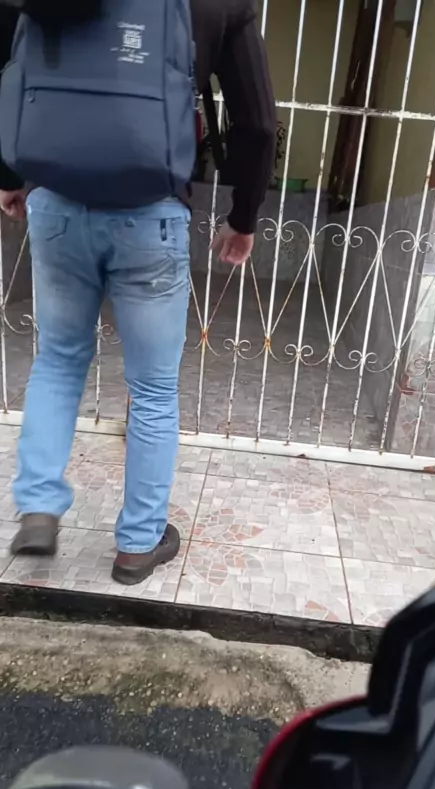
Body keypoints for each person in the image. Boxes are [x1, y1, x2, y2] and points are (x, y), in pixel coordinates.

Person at [0, 0, 276, 585]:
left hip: (57, 202)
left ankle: (39, 506)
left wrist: (9, 177)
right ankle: (138, 544)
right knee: (152, 388)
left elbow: (10, 69)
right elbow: (256, 123)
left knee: (59, 359)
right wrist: (243, 215)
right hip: (151, 213)